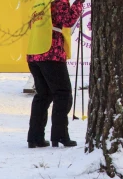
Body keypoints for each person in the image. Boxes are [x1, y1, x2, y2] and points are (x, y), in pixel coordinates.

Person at [26, 0, 84, 148]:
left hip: (34, 52)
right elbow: (68, 20)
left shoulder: (39, 2)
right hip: (51, 51)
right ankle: (60, 135)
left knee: (43, 95)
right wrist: (78, 3)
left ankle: (35, 137)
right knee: (63, 94)